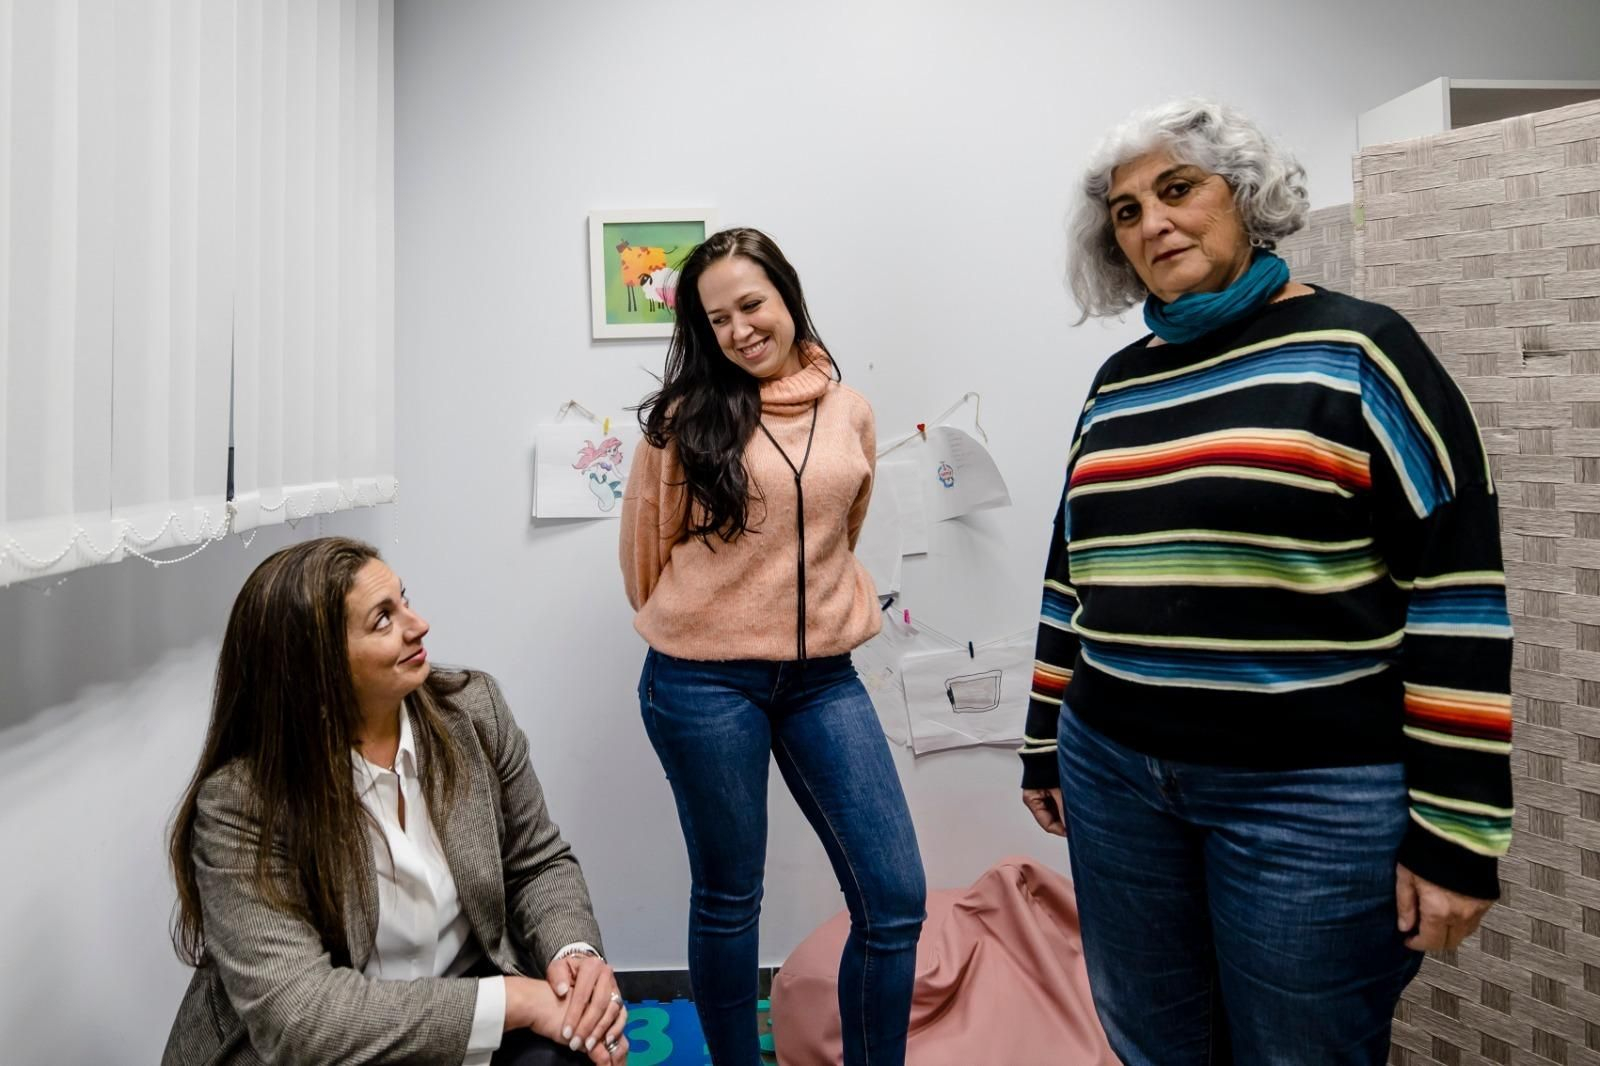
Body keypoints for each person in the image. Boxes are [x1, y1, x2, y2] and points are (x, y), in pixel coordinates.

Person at [1019, 99, 1513, 1064]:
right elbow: (1070, 570)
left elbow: (1457, 594)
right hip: (1117, 776)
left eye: (1177, 189)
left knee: (1301, 1050)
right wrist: (1043, 738)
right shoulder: (1121, 383)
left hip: (1311, 800)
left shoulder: (1362, 351)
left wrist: (1459, 832)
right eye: (1126, 212)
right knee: (1155, 1043)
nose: (1153, 223)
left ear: (1243, 196)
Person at [620, 227, 926, 1066]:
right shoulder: (685, 419)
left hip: (825, 678)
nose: (738, 329)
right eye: (716, 319)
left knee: (895, 899)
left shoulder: (850, 410)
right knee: (729, 897)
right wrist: (714, 623)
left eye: (750, 305)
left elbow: (841, 534)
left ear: (787, 296)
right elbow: (646, 556)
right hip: (703, 684)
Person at [162, 537, 628, 1066]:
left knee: (578, 1049)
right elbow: (301, 1018)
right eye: (383, 620)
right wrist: (513, 1000)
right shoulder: (241, 806)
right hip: (322, 1050)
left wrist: (576, 960)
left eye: (403, 600)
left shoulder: (473, 713)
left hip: (461, 1013)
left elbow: (537, 861)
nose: (418, 624)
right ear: (315, 670)